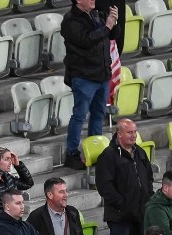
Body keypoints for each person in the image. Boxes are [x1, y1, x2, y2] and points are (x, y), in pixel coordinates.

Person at [61, 0, 119, 170]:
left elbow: (113, 35)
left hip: (102, 74)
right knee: (79, 115)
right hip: (84, 76)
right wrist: (107, 27)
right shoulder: (71, 21)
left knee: (98, 114)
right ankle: (71, 154)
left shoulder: (97, 14)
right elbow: (86, 41)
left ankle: (96, 149)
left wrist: (113, 22)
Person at [95, 119, 154, 235]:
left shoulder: (140, 152)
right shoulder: (108, 155)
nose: (133, 135)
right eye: (129, 132)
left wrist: (148, 197)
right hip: (119, 215)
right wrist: (122, 203)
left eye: (135, 132)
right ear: (119, 134)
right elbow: (104, 186)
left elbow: (148, 176)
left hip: (140, 212)